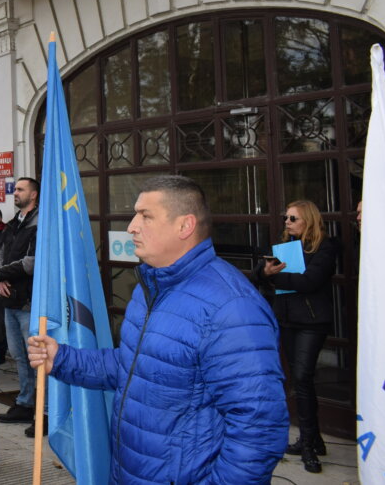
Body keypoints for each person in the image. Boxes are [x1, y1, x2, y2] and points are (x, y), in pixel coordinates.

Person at [27, 175, 288, 483]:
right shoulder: (150, 288)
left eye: (146, 216)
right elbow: (133, 366)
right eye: (135, 215)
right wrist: (62, 359)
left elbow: (259, 425)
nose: (132, 227)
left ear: (185, 226)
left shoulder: (232, 307)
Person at [255, 199, 338, 473]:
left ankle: (308, 444)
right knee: (299, 380)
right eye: (286, 218)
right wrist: (265, 272)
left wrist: (274, 278)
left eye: (293, 218)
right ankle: (313, 438)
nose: (287, 222)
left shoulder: (324, 246)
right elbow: (259, 272)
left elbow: (309, 282)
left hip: (312, 322)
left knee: (302, 378)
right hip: (288, 320)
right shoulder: (284, 246)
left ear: (308, 221)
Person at [0, 177, 41, 429]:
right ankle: (25, 403)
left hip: (30, 301)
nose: (15, 192)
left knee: (36, 358)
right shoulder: (13, 224)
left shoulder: (41, 222)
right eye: (15, 189)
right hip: (10, 299)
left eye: (20, 189)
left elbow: (32, 262)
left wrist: (0, 275)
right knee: (19, 356)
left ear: (33, 195)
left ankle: (43, 411)